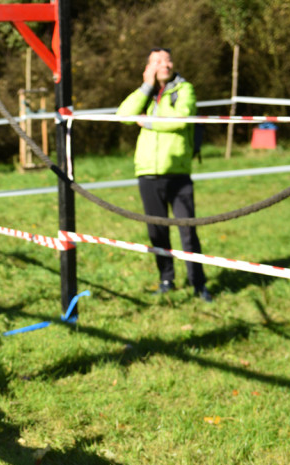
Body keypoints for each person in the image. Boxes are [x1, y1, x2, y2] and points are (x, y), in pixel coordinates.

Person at [116, 47, 213, 302]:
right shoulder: (146, 93)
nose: (165, 65)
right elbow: (123, 116)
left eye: (168, 60)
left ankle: (198, 283)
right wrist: (146, 88)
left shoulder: (184, 89)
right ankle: (166, 279)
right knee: (157, 232)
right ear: (148, 67)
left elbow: (181, 119)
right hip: (147, 172)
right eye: (158, 61)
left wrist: (147, 121)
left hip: (178, 173)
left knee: (187, 232)